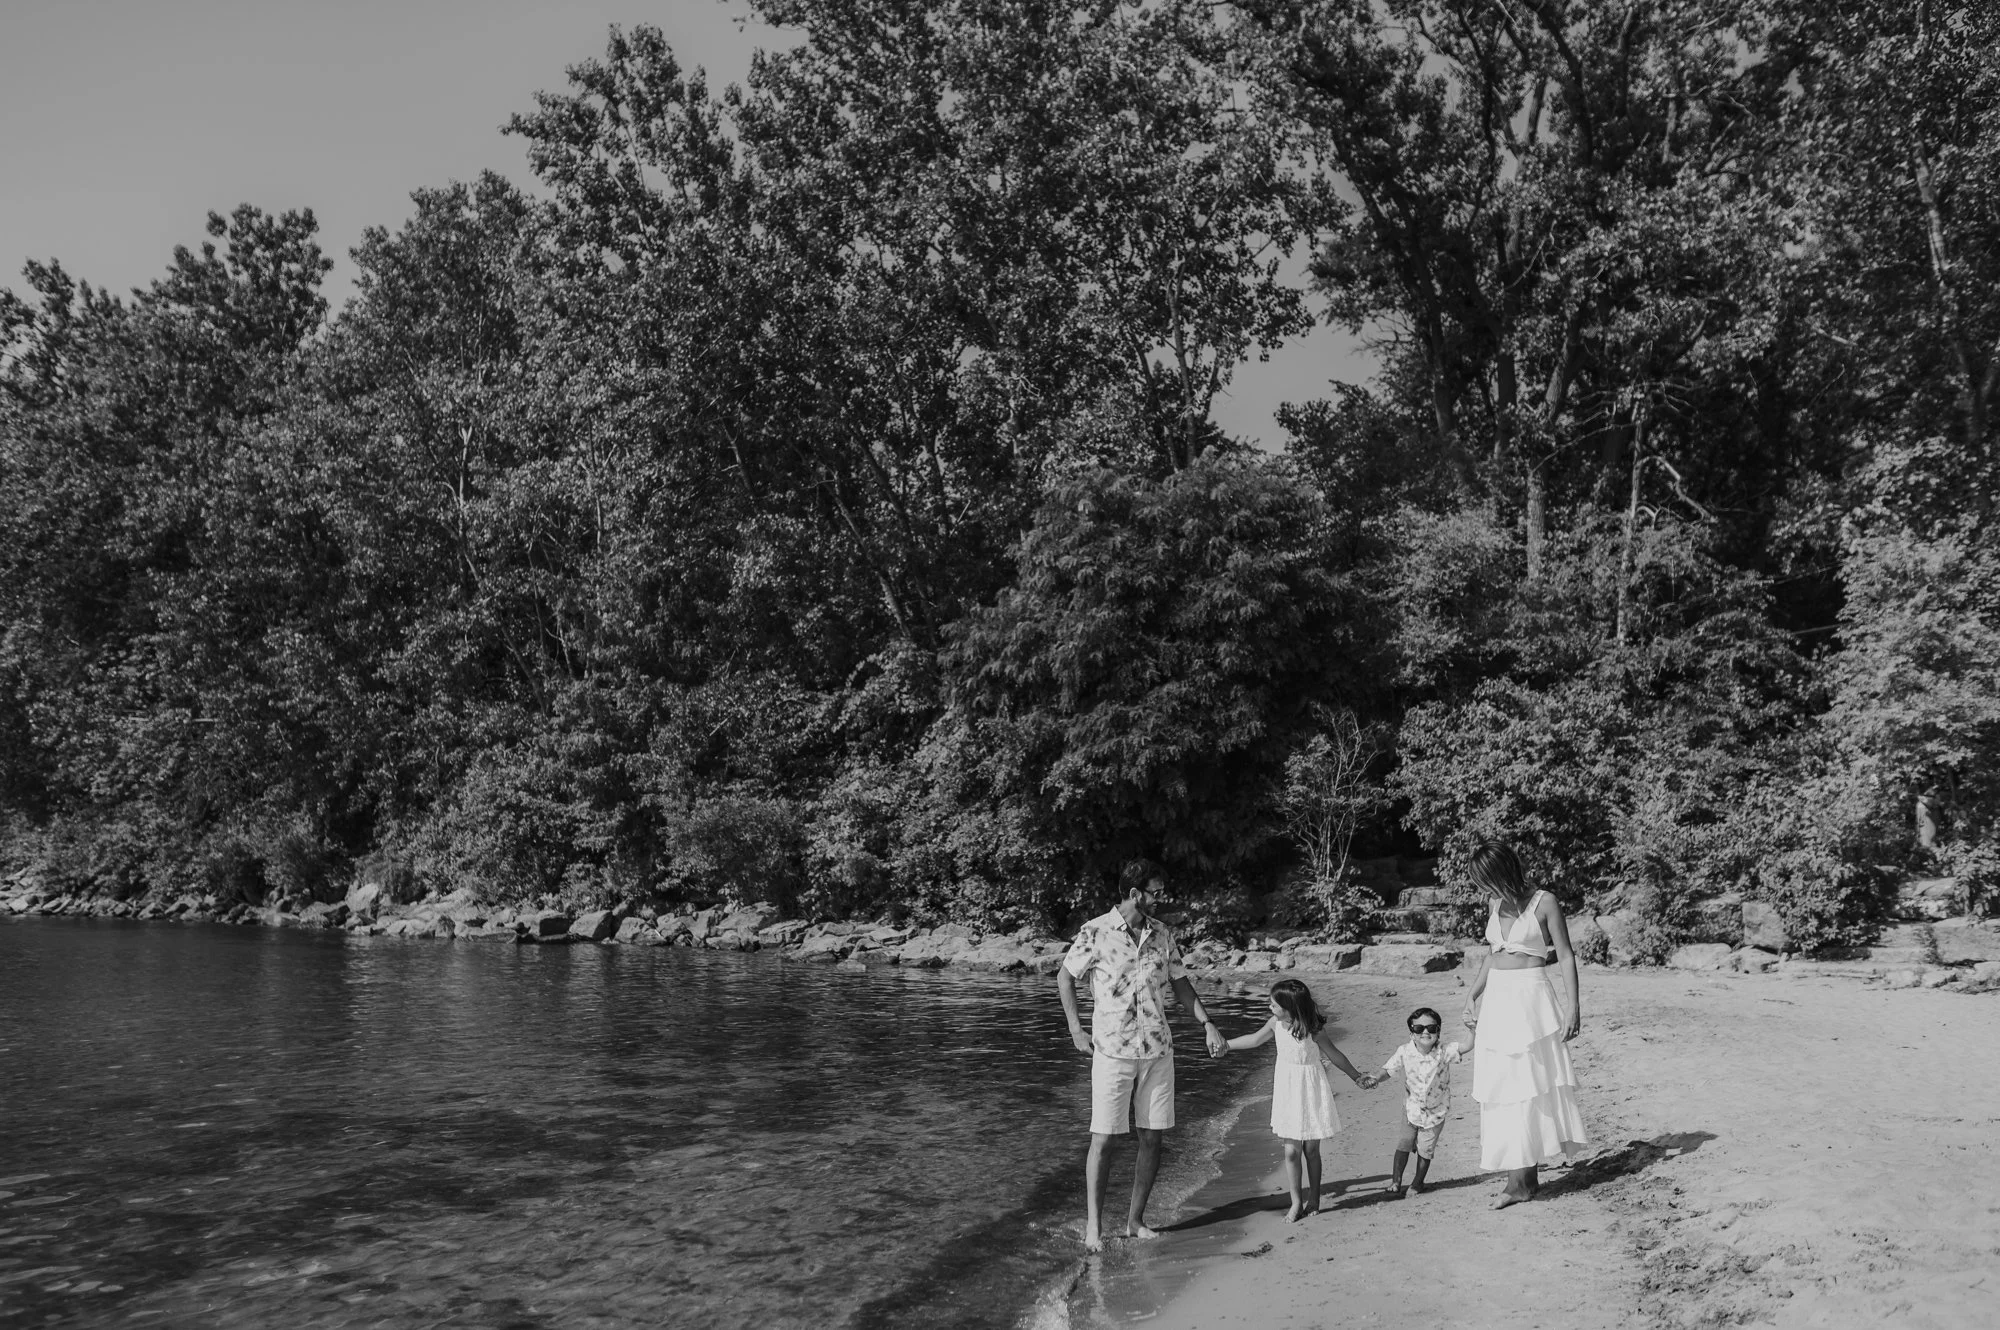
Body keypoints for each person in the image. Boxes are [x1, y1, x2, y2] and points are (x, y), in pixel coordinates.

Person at [1059, 875, 1230, 1252]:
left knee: (1152, 1137)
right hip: (1111, 1050)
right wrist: (1075, 1030)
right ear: (1135, 894)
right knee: (1104, 1139)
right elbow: (1065, 977)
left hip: (1157, 1049)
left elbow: (1181, 984)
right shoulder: (1095, 931)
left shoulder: (1162, 933)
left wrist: (1208, 1024)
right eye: (1157, 892)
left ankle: (1136, 1221)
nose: (1162, 897)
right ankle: (1094, 1228)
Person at [1460, 840, 1588, 1209]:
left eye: (1485, 880)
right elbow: (1492, 954)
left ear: (1502, 872)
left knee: (1530, 1085)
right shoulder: (1493, 903)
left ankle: (1522, 1183)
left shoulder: (1544, 901)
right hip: (1498, 999)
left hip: (1531, 999)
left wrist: (1573, 1007)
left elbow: (1564, 955)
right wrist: (1473, 994)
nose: (1482, 888)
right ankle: (1521, 1180)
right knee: (1503, 1088)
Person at [1223, 977, 1371, 1222]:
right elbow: (1254, 1039)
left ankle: (1314, 1197)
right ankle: (1296, 1202)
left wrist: (1357, 1077)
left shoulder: (1313, 1029)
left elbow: (1335, 1055)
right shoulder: (1275, 1023)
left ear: (1290, 1007)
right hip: (1288, 1089)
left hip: (1310, 1088)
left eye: (1273, 1004)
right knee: (1291, 1151)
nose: (1269, 1007)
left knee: (1311, 1150)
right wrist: (1226, 1045)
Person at [1362, 1006, 1465, 1198]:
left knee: (1426, 1149)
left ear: (1438, 1031)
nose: (1425, 1032)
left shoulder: (1445, 1051)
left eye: (1431, 1028)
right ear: (1412, 1033)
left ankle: (1418, 1182)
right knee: (1404, 1143)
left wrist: (1473, 1029)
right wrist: (1375, 1078)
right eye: (1419, 1029)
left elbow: (1466, 1046)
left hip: (1436, 1112)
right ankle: (1396, 1181)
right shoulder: (1404, 1051)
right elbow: (1389, 1070)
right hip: (1411, 1109)